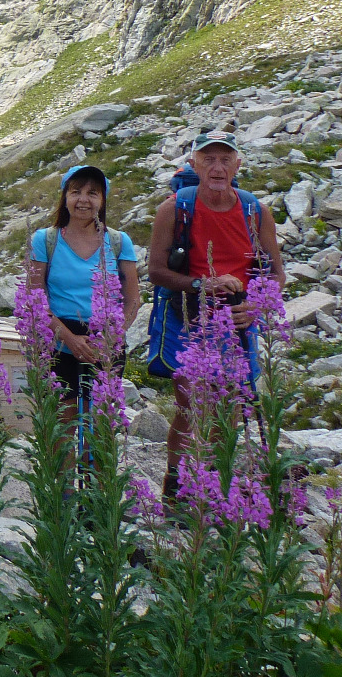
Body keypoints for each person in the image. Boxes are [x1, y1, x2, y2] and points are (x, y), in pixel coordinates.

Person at [147, 130, 285, 500]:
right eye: (209, 159)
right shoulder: (174, 208)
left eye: (226, 159)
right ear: (194, 164)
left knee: (232, 405)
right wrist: (199, 285)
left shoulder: (256, 211)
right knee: (191, 404)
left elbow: (276, 273)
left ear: (238, 164)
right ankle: (176, 488)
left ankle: (212, 483)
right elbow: (156, 272)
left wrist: (256, 304)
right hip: (188, 315)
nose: (217, 167)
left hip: (239, 319)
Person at [27, 165, 141, 418]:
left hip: (106, 341)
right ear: (65, 197)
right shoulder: (45, 240)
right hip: (57, 339)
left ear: (102, 201)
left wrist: (112, 337)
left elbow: (133, 299)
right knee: (63, 424)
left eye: (93, 193)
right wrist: (70, 339)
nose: (83, 200)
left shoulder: (119, 241)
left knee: (99, 427)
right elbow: (34, 300)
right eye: (76, 191)